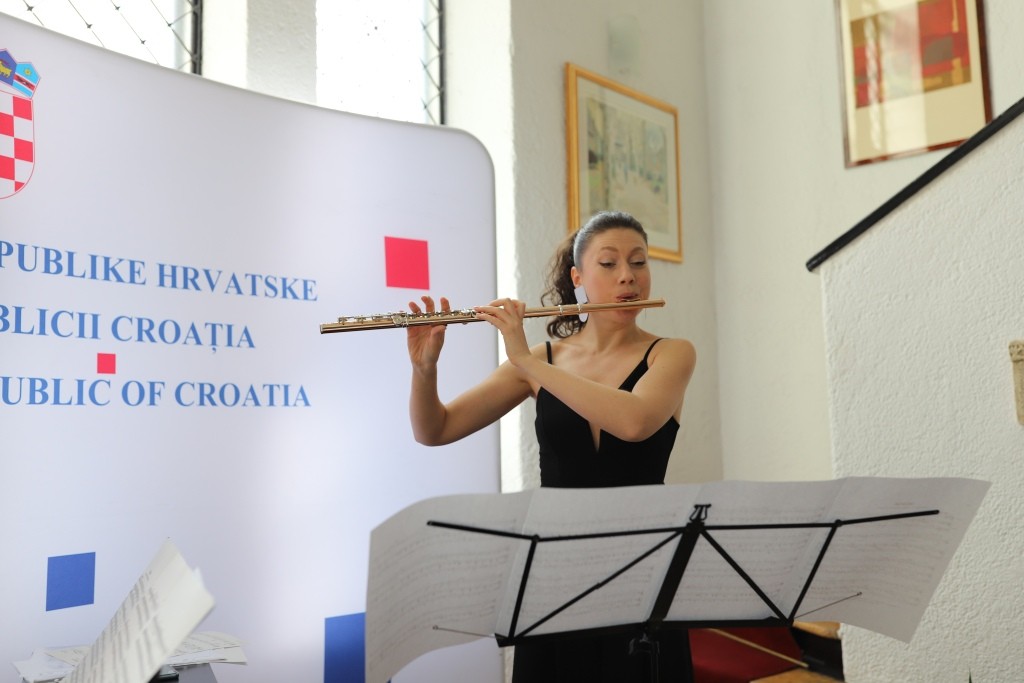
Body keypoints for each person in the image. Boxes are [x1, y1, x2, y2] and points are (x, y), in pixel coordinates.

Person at [406, 210, 697, 682]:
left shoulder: (671, 352)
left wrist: (526, 361)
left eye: (639, 262)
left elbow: (635, 422)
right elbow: (435, 430)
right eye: (609, 263)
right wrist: (425, 370)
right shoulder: (541, 361)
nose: (628, 275)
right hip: (554, 570)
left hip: (646, 564)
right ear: (578, 278)